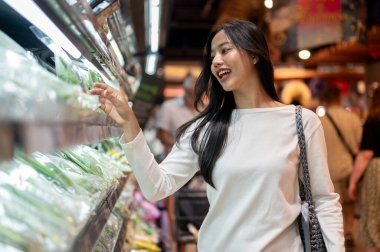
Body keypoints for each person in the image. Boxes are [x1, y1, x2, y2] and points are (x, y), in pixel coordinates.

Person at [91, 19, 344, 251]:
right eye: (212, 56)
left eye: (225, 50)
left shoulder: (301, 122)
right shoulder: (205, 129)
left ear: (255, 54)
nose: (216, 61)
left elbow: (323, 200)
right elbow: (157, 186)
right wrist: (129, 124)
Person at [320, 86, 362, 245]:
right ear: (339, 98)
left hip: (329, 171)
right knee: (350, 204)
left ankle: (338, 238)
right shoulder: (353, 118)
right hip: (350, 170)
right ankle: (350, 231)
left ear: (325, 100)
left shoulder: (320, 121)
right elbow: (359, 145)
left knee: (334, 207)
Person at [348, 87, 380, 251]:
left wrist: (353, 181)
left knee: (373, 213)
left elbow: (366, 154)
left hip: (377, 170)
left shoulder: (373, 120)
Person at [157, 73, 199, 155]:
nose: (193, 98)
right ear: (185, 90)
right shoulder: (169, 107)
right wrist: (183, 147)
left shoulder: (205, 108)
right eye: (190, 94)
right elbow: (162, 135)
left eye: (196, 95)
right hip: (174, 156)